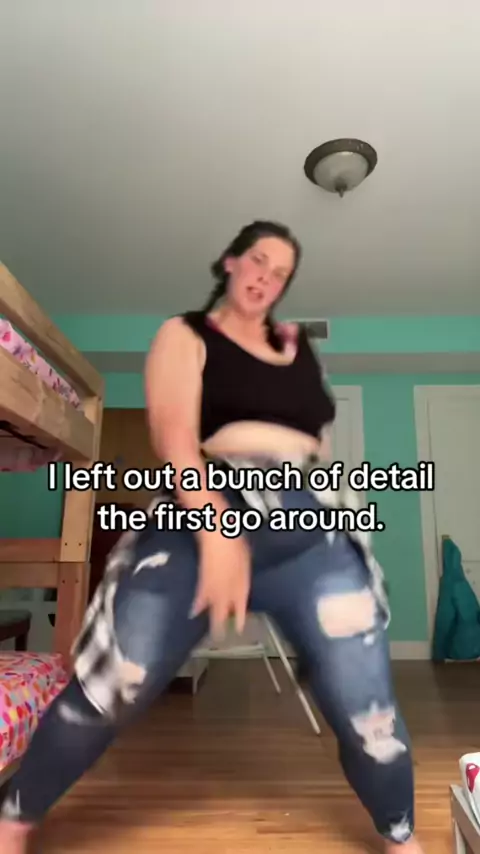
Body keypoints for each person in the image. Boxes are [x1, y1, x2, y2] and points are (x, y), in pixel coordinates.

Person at [0, 220, 424, 853]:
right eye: (259, 261)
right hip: (202, 515)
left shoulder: (297, 349)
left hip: (308, 526)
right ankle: (13, 819)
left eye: (281, 273)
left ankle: (401, 834)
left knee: (368, 710)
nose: (267, 278)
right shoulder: (186, 333)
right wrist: (218, 526)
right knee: (118, 679)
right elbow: (174, 434)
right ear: (230, 262)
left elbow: (317, 444)